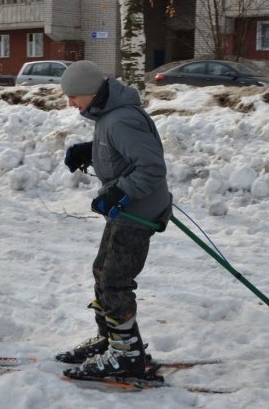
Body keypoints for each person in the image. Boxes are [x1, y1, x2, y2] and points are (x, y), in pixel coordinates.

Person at [56, 60, 172, 379]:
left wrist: (117, 192)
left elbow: (151, 168)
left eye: (73, 96)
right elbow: (118, 151)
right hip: (127, 207)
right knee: (102, 271)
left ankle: (126, 354)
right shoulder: (109, 115)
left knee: (115, 281)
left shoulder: (121, 119)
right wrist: (90, 152)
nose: (70, 103)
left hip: (139, 211)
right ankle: (111, 339)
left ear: (91, 93)